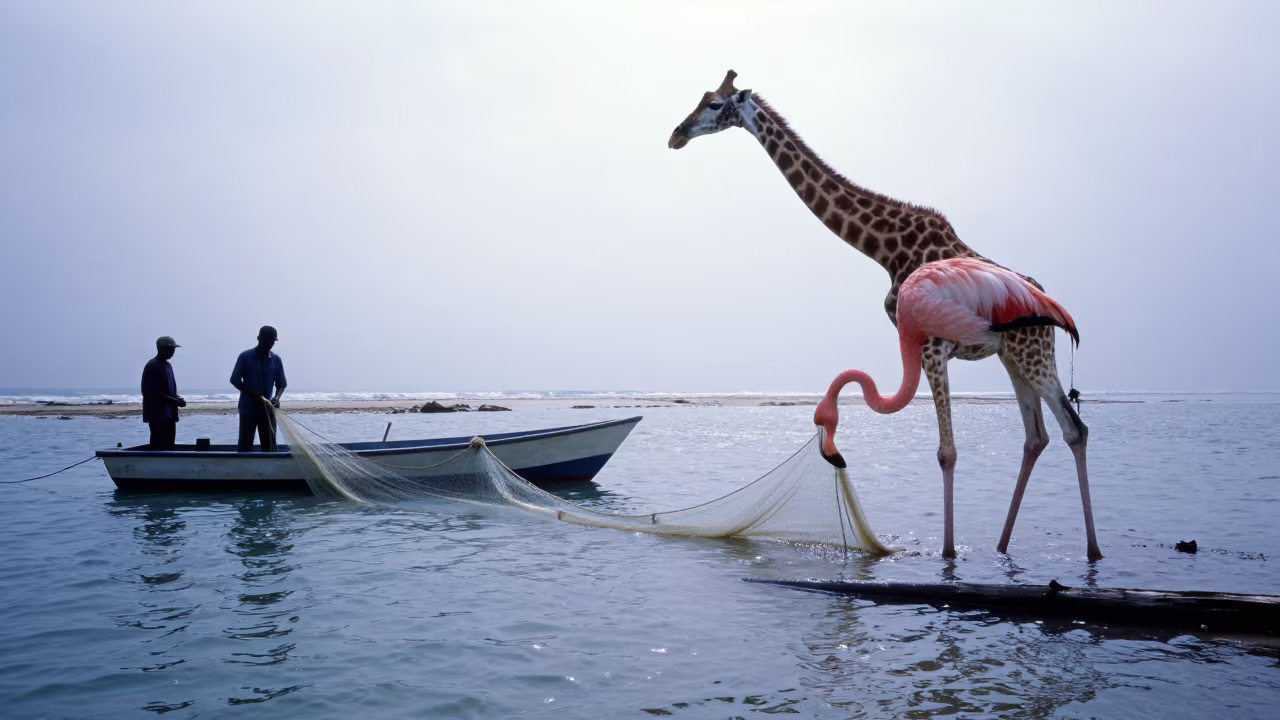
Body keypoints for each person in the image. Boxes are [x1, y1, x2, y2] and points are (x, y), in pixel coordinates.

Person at [229, 325, 287, 452]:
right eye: (266, 340)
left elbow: (281, 383)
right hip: (248, 408)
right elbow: (234, 379)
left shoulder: (276, 360)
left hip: (267, 409)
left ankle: (269, 469)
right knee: (245, 443)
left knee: (270, 445)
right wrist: (252, 394)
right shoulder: (245, 357)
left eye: (272, 341)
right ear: (258, 338)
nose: (269, 344)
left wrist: (276, 398)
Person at [141, 336, 186, 450]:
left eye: (173, 350)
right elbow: (151, 392)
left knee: (169, 445)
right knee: (159, 445)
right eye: (169, 349)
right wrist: (174, 401)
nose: (172, 352)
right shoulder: (153, 365)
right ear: (160, 349)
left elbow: (168, 390)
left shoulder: (167, 366)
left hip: (169, 414)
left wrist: (177, 398)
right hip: (157, 415)